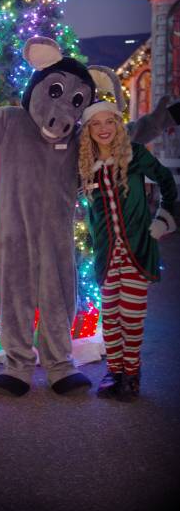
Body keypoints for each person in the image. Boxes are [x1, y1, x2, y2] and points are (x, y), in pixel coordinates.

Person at [78, 100, 177, 401]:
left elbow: (167, 181)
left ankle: (132, 374)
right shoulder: (86, 165)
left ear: (118, 124)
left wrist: (164, 218)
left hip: (137, 250)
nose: (103, 128)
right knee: (110, 316)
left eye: (109, 121)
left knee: (131, 317)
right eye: (96, 123)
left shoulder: (135, 155)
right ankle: (115, 372)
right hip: (107, 255)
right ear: (88, 130)